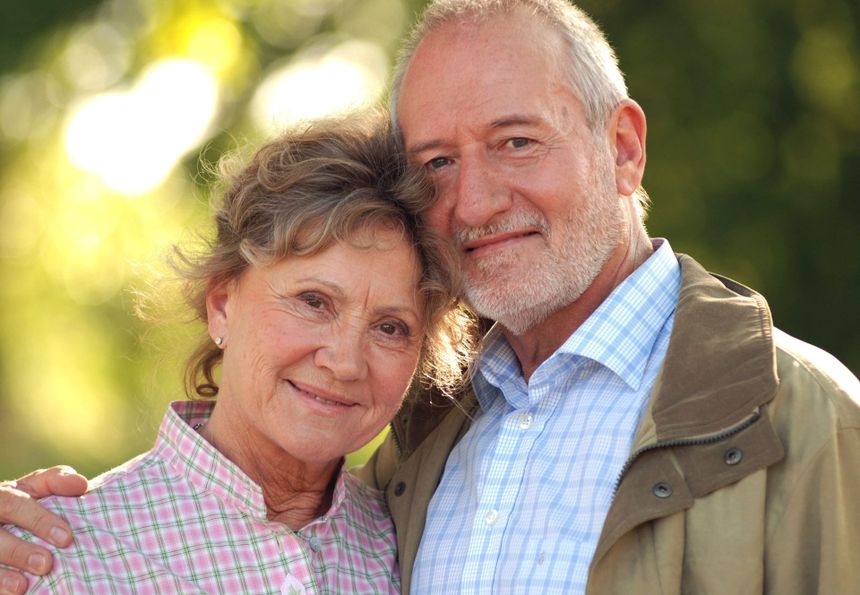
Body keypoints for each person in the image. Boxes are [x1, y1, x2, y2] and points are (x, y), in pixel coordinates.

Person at [3, 1, 860, 593]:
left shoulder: (813, 420)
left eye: (516, 141)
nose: (476, 201)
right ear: (221, 302)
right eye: (438, 163)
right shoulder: (418, 450)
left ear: (624, 147)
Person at [0, 110, 475, 593]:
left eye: (391, 328)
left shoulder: (422, 549)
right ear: (222, 305)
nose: (346, 361)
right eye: (314, 302)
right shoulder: (47, 557)